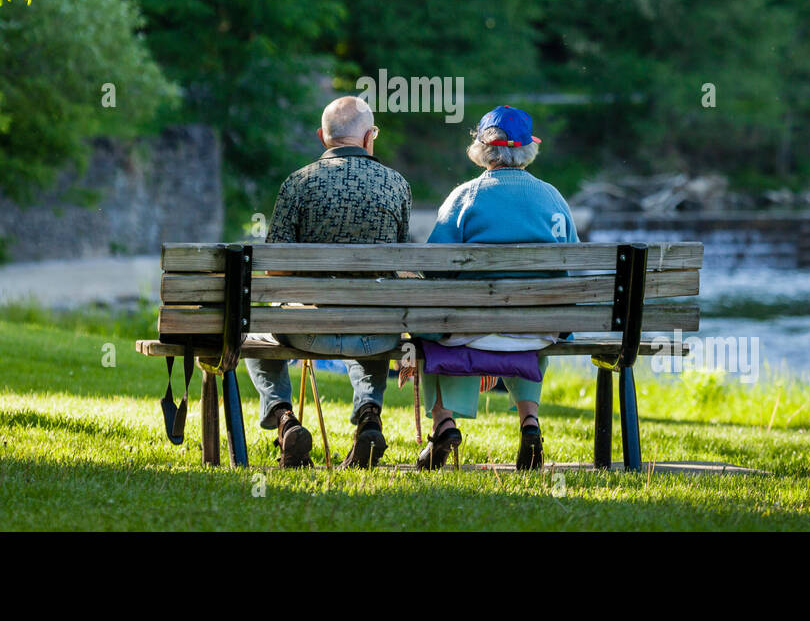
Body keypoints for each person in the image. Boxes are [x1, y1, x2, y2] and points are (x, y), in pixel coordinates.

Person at [244, 96, 410, 468]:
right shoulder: (397, 185)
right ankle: (369, 416)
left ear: (323, 137)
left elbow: (277, 270)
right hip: (375, 333)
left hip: (306, 331)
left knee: (255, 336)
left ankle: (285, 419)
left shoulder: (298, 183)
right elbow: (400, 266)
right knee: (371, 321)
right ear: (369, 138)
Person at [417, 105, 578, 471]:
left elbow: (431, 267)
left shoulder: (465, 197)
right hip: (537, 332)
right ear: (528, 149)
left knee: (428, 327)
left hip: (467, 332)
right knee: (539, 314)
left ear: (482, 149)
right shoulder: (552, 197)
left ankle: (444, 423)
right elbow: (574, 263)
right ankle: (530, 423)